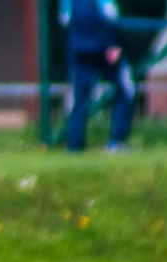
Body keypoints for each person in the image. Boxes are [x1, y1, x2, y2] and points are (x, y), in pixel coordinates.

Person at [62, 0, 135, 152]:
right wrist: (115, 44)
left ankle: (74, 145)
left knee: (79, 98)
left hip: (80, 49)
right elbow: (112, 16)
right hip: (106, 48)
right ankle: (117, 141)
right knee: (125, 90)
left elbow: (65, 20)